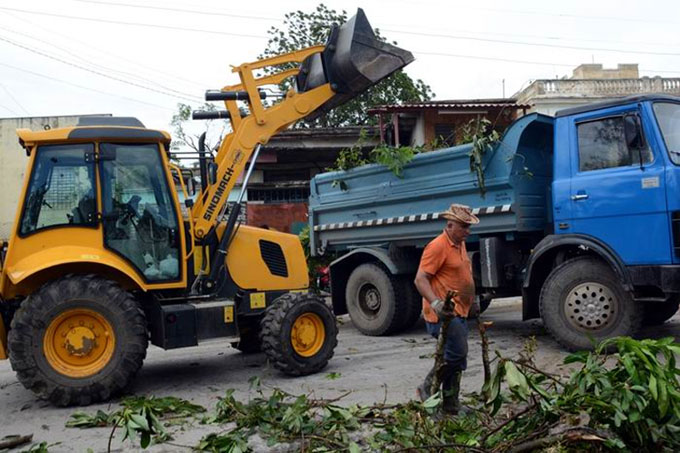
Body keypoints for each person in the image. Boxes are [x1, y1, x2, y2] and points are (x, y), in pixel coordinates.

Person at [413, 203, 479, 415]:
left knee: (457, 359)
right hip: (443, 315)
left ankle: (451, 405)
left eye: (469, 227)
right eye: (463, 227)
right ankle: (427, 388)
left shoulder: (458, 242)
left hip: (460, 311)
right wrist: (436, 303)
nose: (468, 232)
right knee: (457, 354)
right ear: (450, 225)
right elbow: (420, 279)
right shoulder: (437, 246)